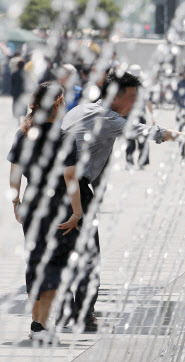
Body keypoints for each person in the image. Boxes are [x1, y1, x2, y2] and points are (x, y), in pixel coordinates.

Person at [60, 71, 185, 331]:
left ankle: (62, 312)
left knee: (64, 252)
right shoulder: (107, 118)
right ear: (114, 97)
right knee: (89, 255)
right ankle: (83, 315)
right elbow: (151, 133)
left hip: (55, 188)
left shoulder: (80, 110)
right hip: (76, 189)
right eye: (132, 97)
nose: (135, 104)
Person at [8, 82, 82, 342]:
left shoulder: (23, 134)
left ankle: (37, 324)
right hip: (57, 206)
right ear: (59, 103)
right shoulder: (64, 138)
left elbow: (14, 175)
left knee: (35, 261)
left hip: (31, 202)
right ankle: (41, 324)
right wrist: (77, 212)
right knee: (54, 263)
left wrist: (16, 204)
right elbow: (71, 179)